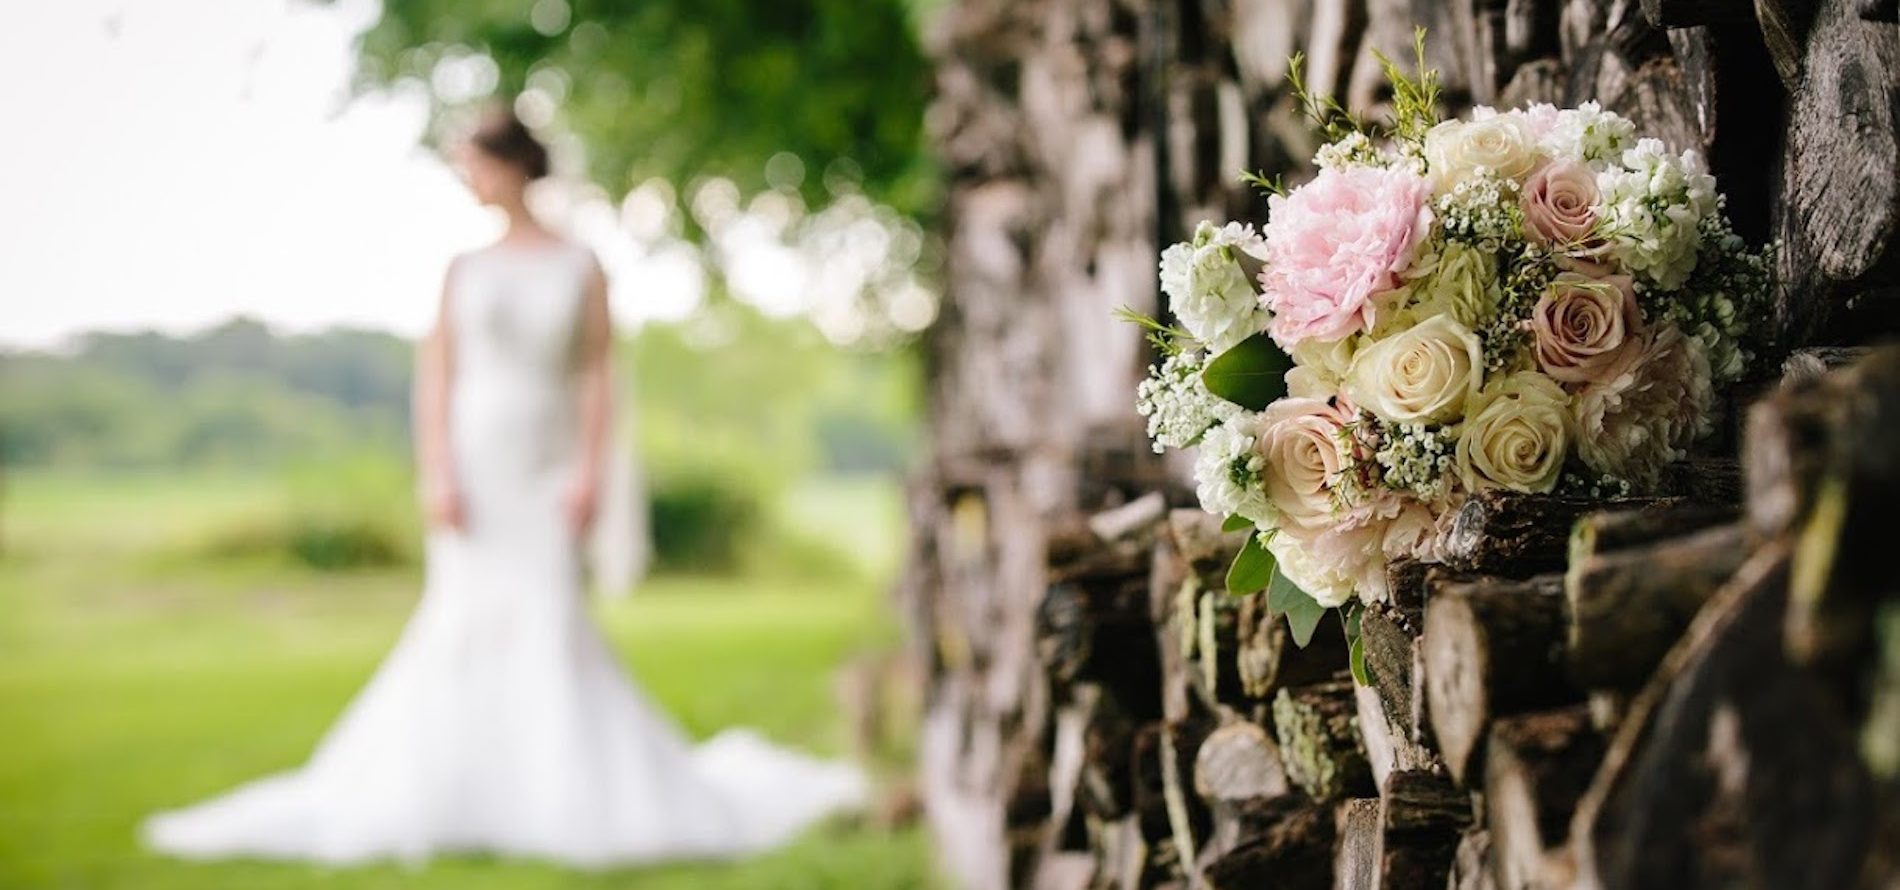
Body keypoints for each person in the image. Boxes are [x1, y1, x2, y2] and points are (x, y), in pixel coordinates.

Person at [142, 107, 866, 867]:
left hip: (550, 470)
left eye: (475, 164)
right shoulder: (464, 269)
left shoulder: (580, 265)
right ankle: (459, 793)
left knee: (551, 621)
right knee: (461, 625)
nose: (469, 180)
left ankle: (565, 795)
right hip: (477, 468)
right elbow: (436, 381)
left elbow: (596, 377)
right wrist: (440, 475)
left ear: (515, 164)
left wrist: (591, 471)